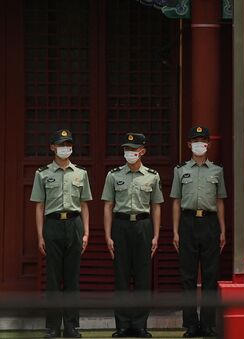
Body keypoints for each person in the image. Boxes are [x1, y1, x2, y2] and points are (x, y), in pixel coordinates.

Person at [30, 129, 92, 339]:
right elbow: (39, 206)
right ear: (52, 147)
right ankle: (53, 326)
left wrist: (86, 233)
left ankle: (72, 326)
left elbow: (84, 205)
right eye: (61, 144)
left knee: (73, 278)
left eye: (68, 144)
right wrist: (40, 236)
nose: (65, 148)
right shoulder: (42, 173)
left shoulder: (80, 173)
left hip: (74, 224)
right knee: (54, 280)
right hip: (53, 225)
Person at [102, 133, 163, 338]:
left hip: (143, 227)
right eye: (126, 149)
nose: (129, 153)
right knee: (120, 277)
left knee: (142, 278)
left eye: (133, 149)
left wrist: (155, 235)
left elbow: (156, 207)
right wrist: (108, 235)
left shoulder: (152, 175)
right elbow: (108, 206)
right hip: (120, 225)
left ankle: (139, 325)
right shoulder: (113, 175)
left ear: (142, 151)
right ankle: (122, 325)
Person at [171, 126, 227, 338]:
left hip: (210, 223)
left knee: (211, 275)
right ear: (189, 144)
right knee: (188, 276)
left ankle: (208, 324)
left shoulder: (217, 170)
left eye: (203, 140)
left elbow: (220, 201)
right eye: (195, 140)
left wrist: (222, 230)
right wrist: (175, 231)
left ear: (208, 144)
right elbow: (176, 202)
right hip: (187, 222)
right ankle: (190, 324)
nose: (199, 144)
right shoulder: (180, 170)